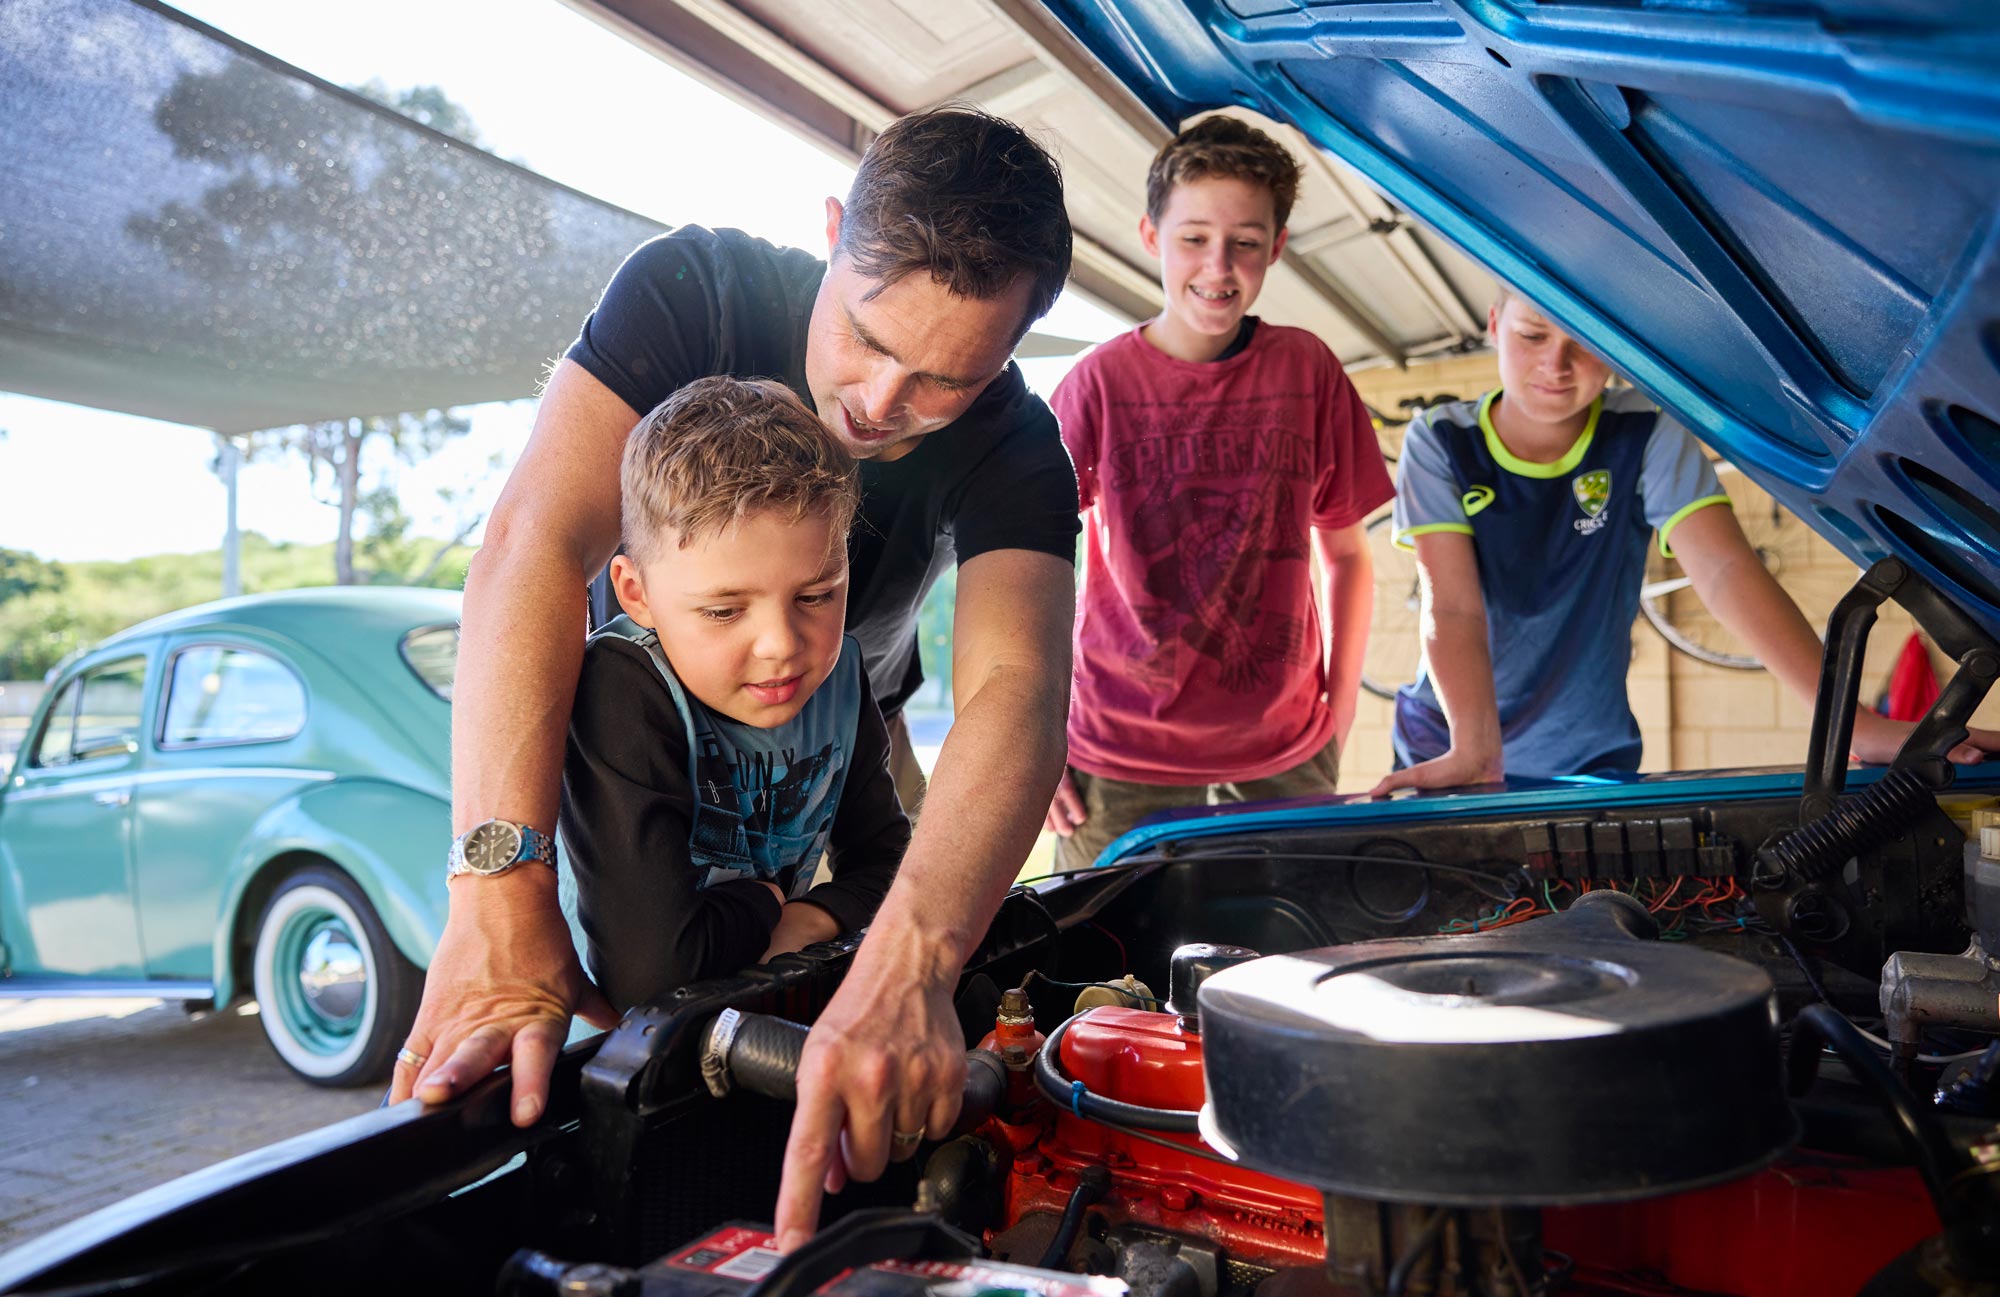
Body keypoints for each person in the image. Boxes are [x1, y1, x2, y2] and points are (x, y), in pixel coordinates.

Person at [389, 107, 1081, 1251]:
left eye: (943, 379)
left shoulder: (1017, 447)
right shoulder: (689, 289)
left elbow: (1017, 688)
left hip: (844, 717)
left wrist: (909, 959)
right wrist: (501, 893)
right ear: (828, 232)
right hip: (625, 739)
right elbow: (533, 548)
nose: (878, 401)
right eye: (864, 335)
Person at [1372, 288, 2000, 794]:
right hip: (1450, 744)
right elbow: (1451, 605)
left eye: (1584, 345)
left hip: (1589, 753)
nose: (1555, 366)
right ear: (1492, 322)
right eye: (1532, 334)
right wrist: (1476, 749)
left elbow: (1726, 571)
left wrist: (1851, 723)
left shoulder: (1643, 432)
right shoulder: (1440, 441)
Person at [1043, 116, 1393, 866]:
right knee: (1104, 967)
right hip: (1115, 749)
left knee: (1290, 963)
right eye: (1194, 237)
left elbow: (1347, 555)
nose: (1219, 265)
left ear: (1277, 246)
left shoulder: (1308, 370)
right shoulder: (1096, 386)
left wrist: (1343, 707)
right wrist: (1035, 733)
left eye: (1245, 241)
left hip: (1285, 744)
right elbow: (1028, 569)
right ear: (1150, 235)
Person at [561, 377, 907, 1010]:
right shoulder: (620, 690)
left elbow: (897, 864)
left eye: (816, 596)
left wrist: (820, 916)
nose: (781, 644)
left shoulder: (839, 676)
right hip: (605, 1056)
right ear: (635, 593)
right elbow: (652, 970)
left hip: (744, 1024)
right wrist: (772, 902)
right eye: (723, 611)